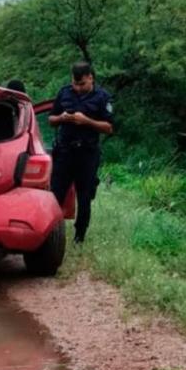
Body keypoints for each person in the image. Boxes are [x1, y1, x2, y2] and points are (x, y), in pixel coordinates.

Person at [48, 61, 114, 243]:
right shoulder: (64, 92)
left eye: (82, 84)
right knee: (55, 194)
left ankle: (79, 237)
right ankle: (50, 234)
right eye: (75, 84)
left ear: (90, 78)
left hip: (87, 153)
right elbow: (51, 119)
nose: (77, 88)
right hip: (65, 152)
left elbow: (109, 128)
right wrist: (61, 118)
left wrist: (87, 121)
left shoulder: (102, 97)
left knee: (84, 196)